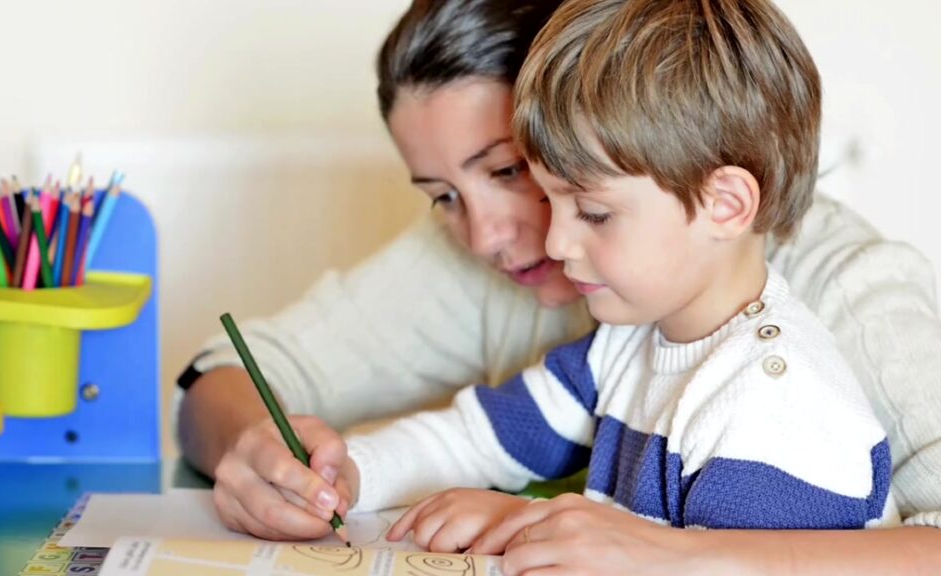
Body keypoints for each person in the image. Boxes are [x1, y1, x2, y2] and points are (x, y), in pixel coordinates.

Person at [176, 0, 941, 572]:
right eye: (441, 195)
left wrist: (560, 531)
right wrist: (334, 471)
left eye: (510, 172)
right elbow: (482, 435)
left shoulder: (793, 372)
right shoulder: (635, 333)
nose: (488, 238)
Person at [342, 0, 898, 550]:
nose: (557, 242)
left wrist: (528, 522)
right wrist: (346, 475)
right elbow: (478, 437)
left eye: (593, 213)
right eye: (549, 199)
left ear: (724, 205)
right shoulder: (625, 344)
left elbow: (702, 563)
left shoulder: (778, 410)